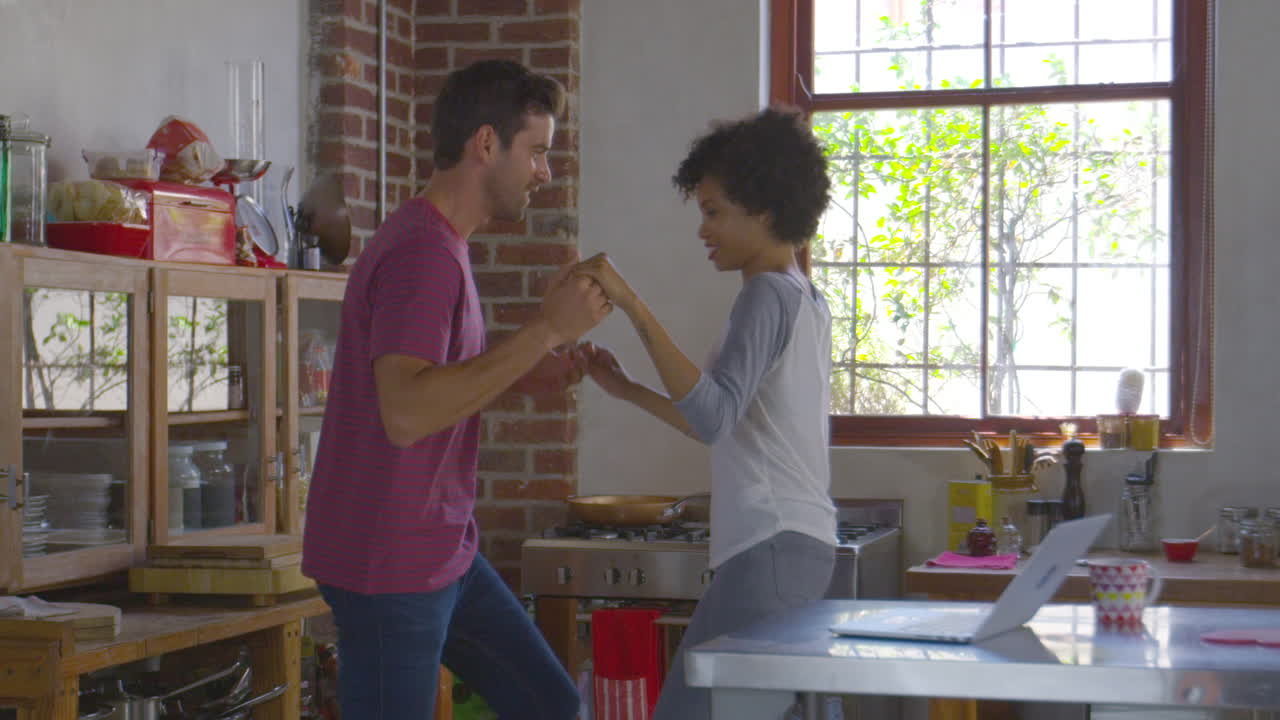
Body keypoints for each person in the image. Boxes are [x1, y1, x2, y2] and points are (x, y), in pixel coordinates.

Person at [301, 59, 610, 720]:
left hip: (442, 551)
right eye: (537, 151)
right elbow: (408, 412)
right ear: (487, 145)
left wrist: (533, 374)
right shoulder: (424, 255)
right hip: (391, 562)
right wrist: (547, 330)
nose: (544, 172)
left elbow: (436, 384)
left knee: (552, 705)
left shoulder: (441, 244)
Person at [574, 107, 837, 719]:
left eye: (714, 212)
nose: (703, 230)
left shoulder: (765, 294)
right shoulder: (804, 296)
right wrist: (627, 389)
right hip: (798, 544)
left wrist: (630, 303)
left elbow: (714, 416)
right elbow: (715, 420)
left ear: (765, 209)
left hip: (768, 546)